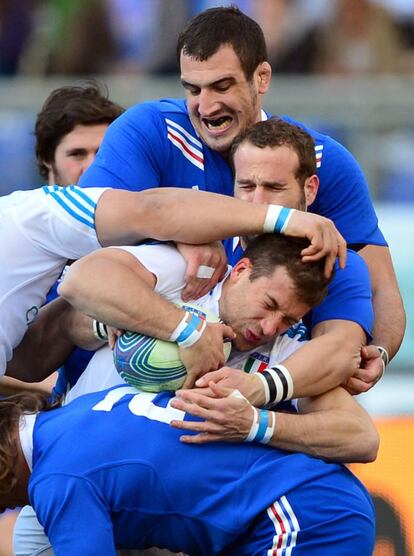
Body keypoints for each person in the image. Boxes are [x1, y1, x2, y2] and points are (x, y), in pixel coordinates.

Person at [78, 5, 405, 376]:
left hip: (263, 377)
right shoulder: (148, 132)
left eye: (222, 86)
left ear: (262, 77)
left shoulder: (322, 161)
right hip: (127, 365)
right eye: (192, 89)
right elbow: (82, 238)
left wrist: (377, 350)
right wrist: (178, 232)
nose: (206, 106)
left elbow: (380, 289)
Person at [0, 183, 343, 381]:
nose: (270, 327)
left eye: (287, 319)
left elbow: (26, 361)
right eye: (269, 305)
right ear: (240, 271)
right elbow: (151, 212)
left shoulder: (283, 350)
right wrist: (186, 329)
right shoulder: (28, 216)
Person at [1, 385, 376, 555]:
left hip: (298, 516)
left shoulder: (57, 479)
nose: (9, 508)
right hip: (299, 505)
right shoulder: (81, 409)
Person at [35, 82, 124, 187]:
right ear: (47, 158)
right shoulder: (18, 203)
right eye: (77, 154)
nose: (91, 168)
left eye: (103, 154)